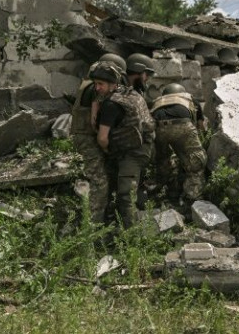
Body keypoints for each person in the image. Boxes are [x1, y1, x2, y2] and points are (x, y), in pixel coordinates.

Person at [92, 62, 155, 228]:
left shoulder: (110, 105)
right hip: (145, 147)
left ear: (113, 85)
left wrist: (106, 151)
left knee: (126, 194)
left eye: (101, 84)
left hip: (132, 153)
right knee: (129, 188)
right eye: (95, 84)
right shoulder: (129, 93)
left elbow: (102, 138)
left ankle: (131, 236)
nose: (97, 88)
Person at [70, 54, 127, 224]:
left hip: (84, 136)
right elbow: (96, 123)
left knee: (105, 176)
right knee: (99, 182)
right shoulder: (96, 89)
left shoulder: (89, 84)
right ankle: (93, 226)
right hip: (87, 137)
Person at [151, 83, 207, 208]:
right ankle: (192, 200)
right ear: (182, 92)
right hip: (182, 124)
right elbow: (201, 127)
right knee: (196, 162)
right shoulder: (190, 99)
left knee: (163, 161)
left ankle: (167, 193)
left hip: (157, 127)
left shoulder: (158, 102)